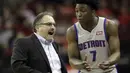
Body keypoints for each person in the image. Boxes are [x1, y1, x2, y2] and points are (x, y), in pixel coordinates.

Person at [66, 0, 120, 73]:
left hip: (108, 70)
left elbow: (116, 53)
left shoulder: (108, 25)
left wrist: (109, 62)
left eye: (83, 11)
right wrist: (80, 64)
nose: (79, 14)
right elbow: (72, 59)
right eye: (77, 11)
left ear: (93, 12)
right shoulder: (72, 31)